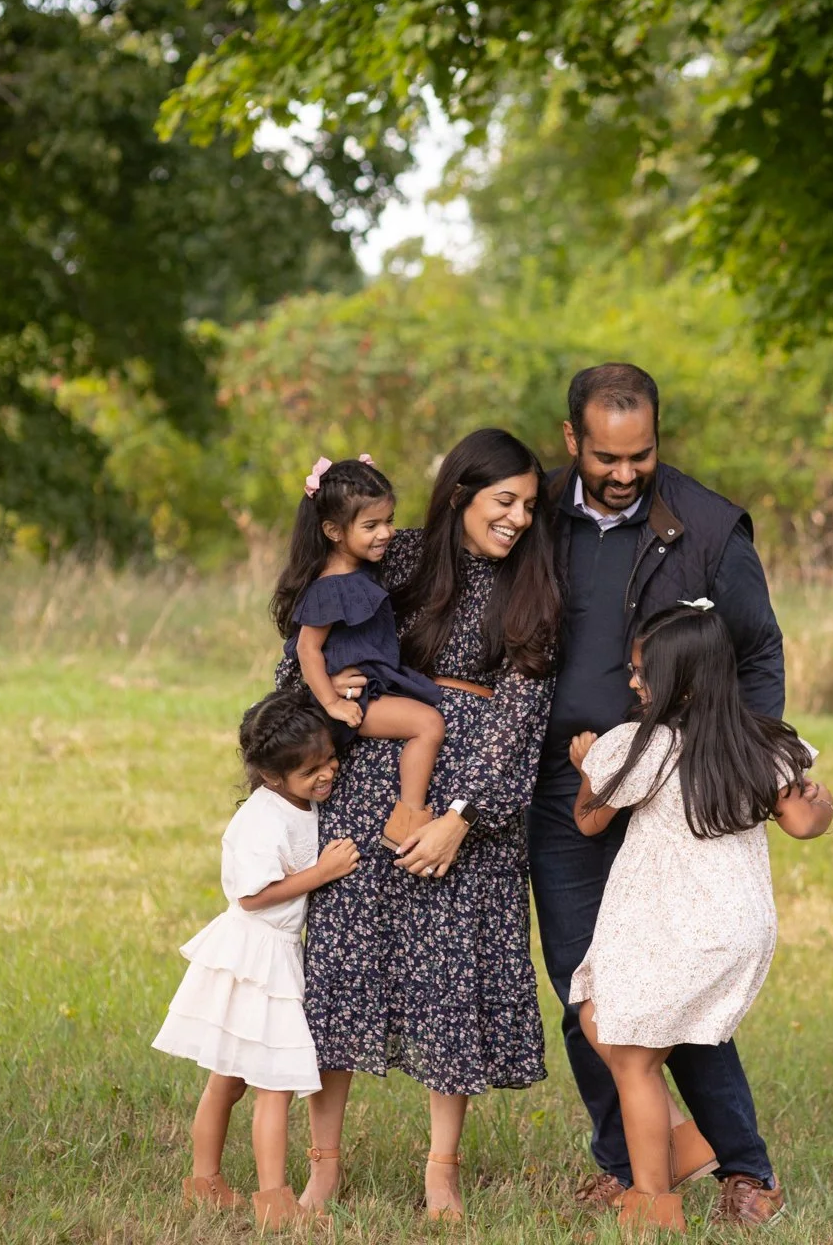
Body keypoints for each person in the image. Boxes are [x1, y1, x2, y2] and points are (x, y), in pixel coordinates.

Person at [528, 361, 805, 1225]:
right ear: (572, 439)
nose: (622, 472)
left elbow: (757, 651)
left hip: (681, 803)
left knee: (681, 997)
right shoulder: (530, 511)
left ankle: (743, 1170)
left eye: (640, 455)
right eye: (605, 456)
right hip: (567, 791)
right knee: (590, 993)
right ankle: (632, 1162)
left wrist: (737, 764)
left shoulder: (712, 527)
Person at [281, 428, 564, 1222]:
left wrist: (460, 819)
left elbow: (521, 717)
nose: (515, 519)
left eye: (528, 507)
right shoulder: (397, 555)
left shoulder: (533, 590)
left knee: (449, 979)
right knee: (341, 965)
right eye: (501, 501)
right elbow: (307, 629)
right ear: (460, 494)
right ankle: (322, 1168)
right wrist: (328, 690)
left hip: (469, 797)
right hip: (373, 776)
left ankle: (441, 1172)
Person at [567, 606, 833, 1232]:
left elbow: (588, 821)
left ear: (681, 681)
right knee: (596, 1015)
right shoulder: (760, 740)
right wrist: (823, 806)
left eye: (642, 673)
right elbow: (803, 822)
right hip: (735, 928)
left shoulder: (639, 746)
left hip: (672, 924)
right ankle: (691, 1142)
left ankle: (653, 1207)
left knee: (631, 1059)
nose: (633, 683)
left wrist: (588, 767)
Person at [151, 689, 362, 1230]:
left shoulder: (297, 803)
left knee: (232, 1080)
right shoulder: (262, 821)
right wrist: (322, 872)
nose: (326, 775)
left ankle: (205, 1184)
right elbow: (253, 895)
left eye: (329, 760)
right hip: (256, 957)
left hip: (268, 952)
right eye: (311, 770)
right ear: (272, 777)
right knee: (268, 1083)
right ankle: (273, 1201)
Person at [271, 454, 445, 845]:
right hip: (354, 699)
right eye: (371, 525)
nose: (385, 533)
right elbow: (307, 650)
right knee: (428, 724)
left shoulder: (360, 570)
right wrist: (332, 702)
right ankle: (408, 820)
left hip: (371, 686)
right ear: (333, 531)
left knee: (428, 718)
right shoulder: (330, 586)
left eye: (389, 520)